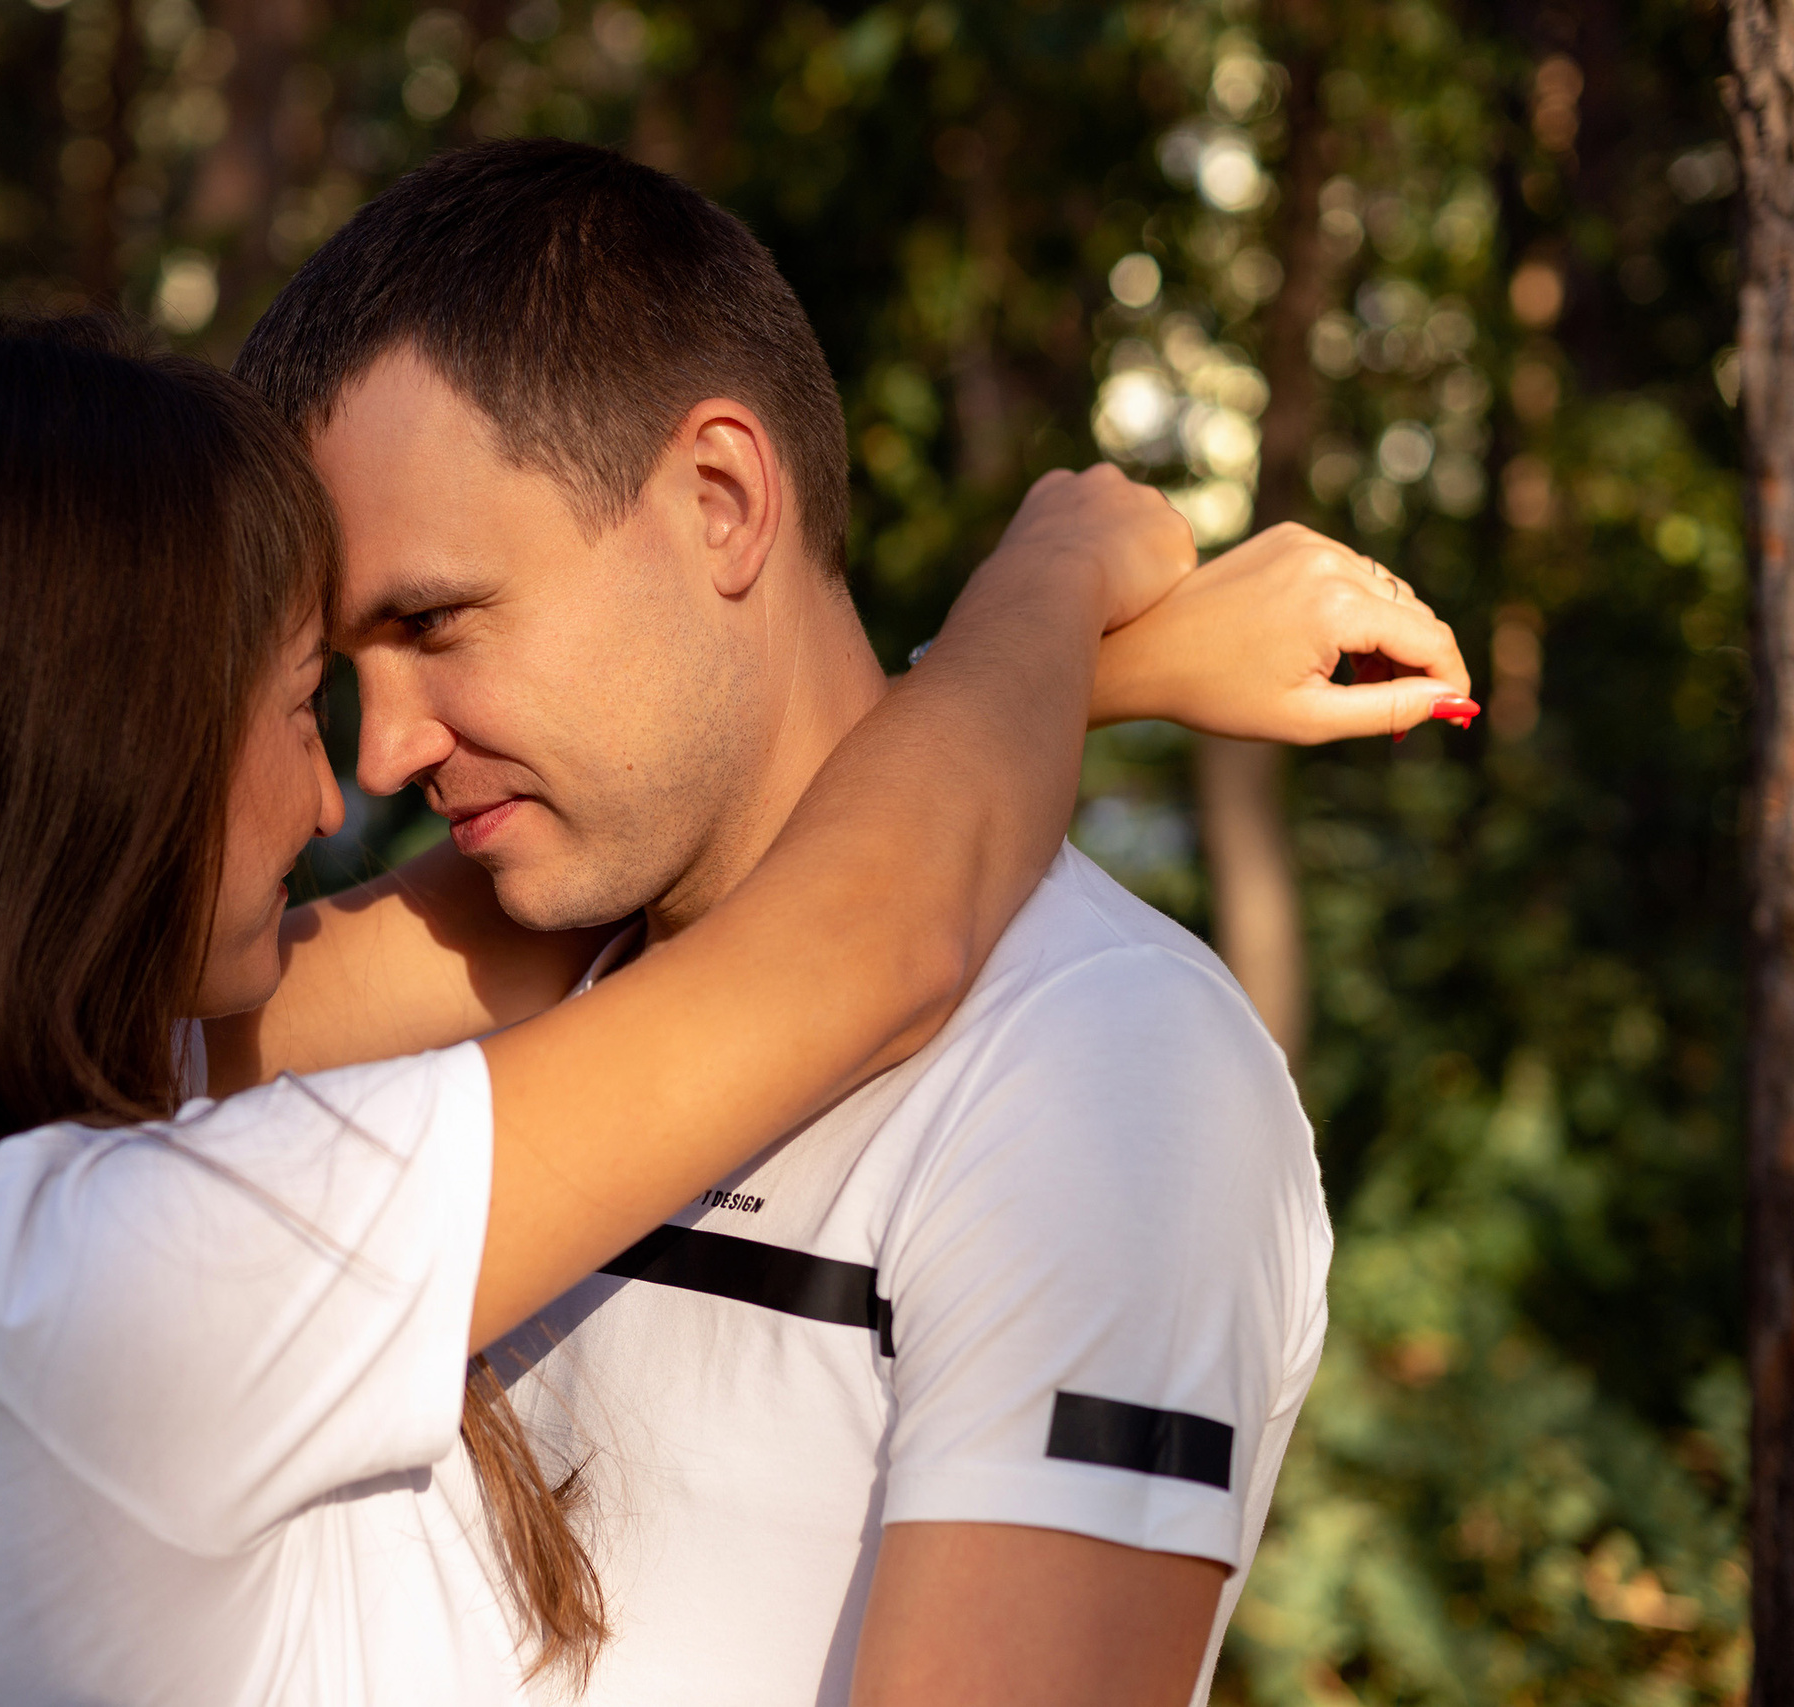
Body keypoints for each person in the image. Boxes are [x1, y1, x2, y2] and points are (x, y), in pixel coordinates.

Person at [0, 312, 1267, 1707]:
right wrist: (1056, 576)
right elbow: (863, 941)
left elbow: (531, 898)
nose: (347, 791)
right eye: (297, 701)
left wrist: (1041, 695)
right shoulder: (83, 1299)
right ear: (82, 775)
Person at [224, 140, 1477, 1706]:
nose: (381, 753)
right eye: (345, 670)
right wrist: (1058, 647)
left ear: (722, 500)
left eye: (431, 623)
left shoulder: (1107, 1073)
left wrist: (1043, 658)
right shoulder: (494, 975)